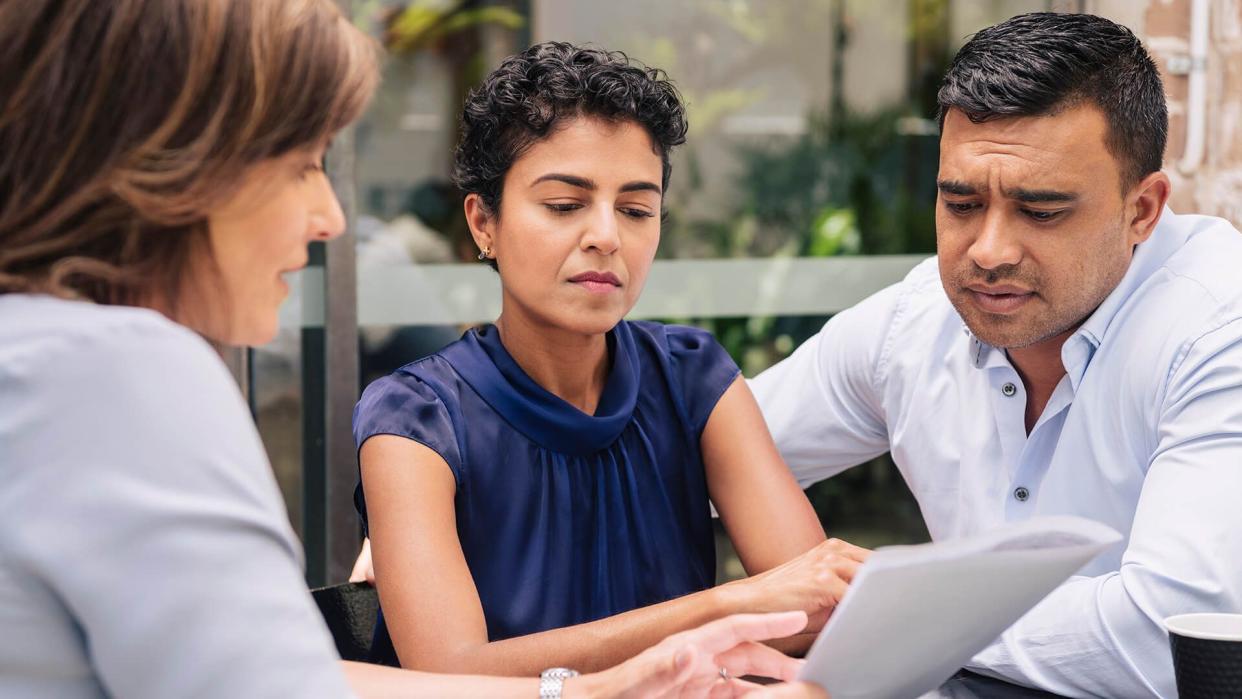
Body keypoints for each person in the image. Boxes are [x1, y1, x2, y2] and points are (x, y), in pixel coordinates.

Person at [0, 2, 825, 696]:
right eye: (297, 164)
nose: (329, 217)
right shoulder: (123, 376)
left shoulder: (688, 371)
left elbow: (288, 668)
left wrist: (600, 681)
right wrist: (716, 616)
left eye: (636, 209)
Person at [749, 12, 1242, 698]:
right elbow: (707, 451)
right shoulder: (914, 323)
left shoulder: (1219, 329)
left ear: (1144, 210)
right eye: (961, 202)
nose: (988, 251)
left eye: (1041, 211)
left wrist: (903, 613)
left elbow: (1172, 637)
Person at [352, 41, 868, 677]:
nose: (606, 237)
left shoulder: (692, 377)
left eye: (635, 209)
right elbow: (453, 671)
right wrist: (730, 606)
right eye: (565, 206)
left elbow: (817, 609)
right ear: (483, 224)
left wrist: (756, 610)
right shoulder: (414, 420)